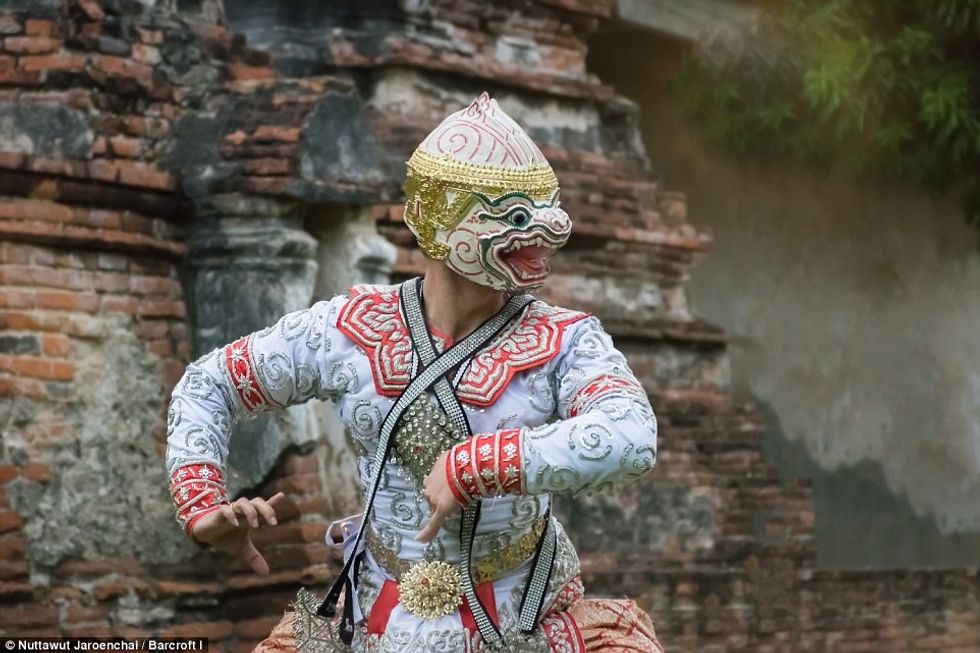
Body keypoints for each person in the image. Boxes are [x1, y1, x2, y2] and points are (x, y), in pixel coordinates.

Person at [166, 93, 664, 652]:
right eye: (517, 220)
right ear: (438, 219)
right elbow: (209, 384)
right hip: (371, 616)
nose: (543, 245)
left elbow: (631, 435)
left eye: (547, 219)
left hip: (524, 616)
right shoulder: (351, 328)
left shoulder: (564, 340)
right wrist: (202, 503)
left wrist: (478, 464)